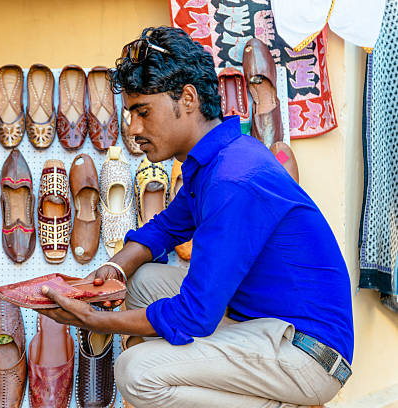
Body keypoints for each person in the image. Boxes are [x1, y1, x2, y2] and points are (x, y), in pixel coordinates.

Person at [39, 26, 354, 408]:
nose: (133, 128)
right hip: (260, 322)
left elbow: (194, 316)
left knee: (135, 372)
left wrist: (95, 320)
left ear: (187, 98)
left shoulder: (233, 178)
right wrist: (114, 270)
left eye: (142, 112)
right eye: (130, 114)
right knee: (142, 281)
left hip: (308, 354)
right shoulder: (215, 158)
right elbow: (167, 227)